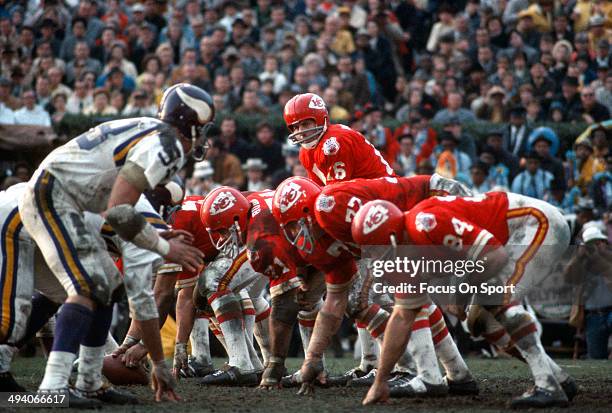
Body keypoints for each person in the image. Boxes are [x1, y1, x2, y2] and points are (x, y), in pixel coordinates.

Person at [16, 83, 212, 404]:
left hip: (61, 194)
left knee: (105, 285)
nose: (202, 137)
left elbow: (120, 205)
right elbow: (120, 211)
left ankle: (90, 381)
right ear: (189, 122)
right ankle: (52, 387)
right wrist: (165, 248)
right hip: (55, 195)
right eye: (201, 129)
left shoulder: (150, 130)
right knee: (89, 286)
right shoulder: (167, 145)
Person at [353, 196, 577, 408]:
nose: (372, 254)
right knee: (480, 322)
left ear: (392, 236)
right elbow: (402, 318)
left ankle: (548, 386)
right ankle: (558, 378)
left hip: (534, 222)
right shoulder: (405, 256)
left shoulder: (426, 222)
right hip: (506, 242)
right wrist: (380, 381)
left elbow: (494, 256)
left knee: (496, 297)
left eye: (374, 246)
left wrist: (461, 294)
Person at [283, 93, 395, 186]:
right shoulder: (305, 152)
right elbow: (318, 189)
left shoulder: (335, 141)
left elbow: (338, 192)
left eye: (305, 124)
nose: (300, 132)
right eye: (295, 127)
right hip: (362, 191)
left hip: (382, 188)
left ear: (321, 119)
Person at [564, 226, 612, 359]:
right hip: (593, 315)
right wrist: (578, 256)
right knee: (596, 357)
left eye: (598, 243)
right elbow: (567, 277)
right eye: (591, 244)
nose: (595, 247)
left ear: (605, 242)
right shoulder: (583, 262)